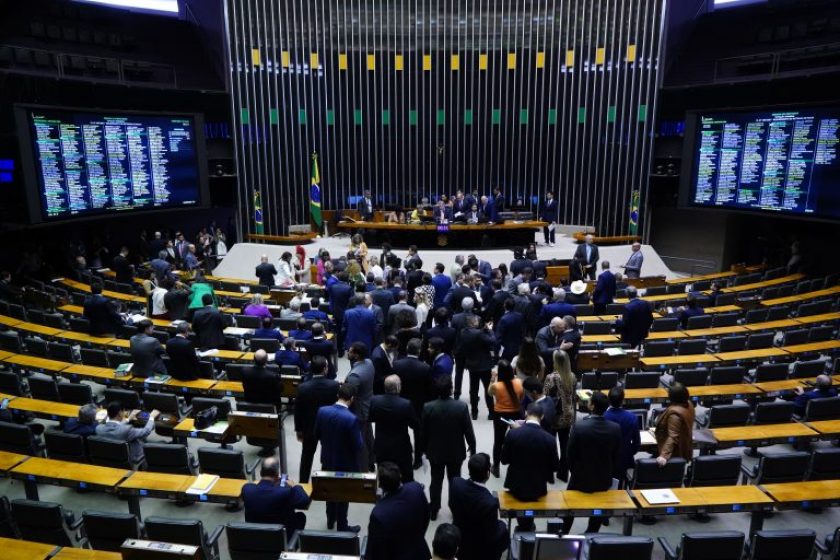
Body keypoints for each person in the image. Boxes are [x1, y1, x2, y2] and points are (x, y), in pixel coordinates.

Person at [562, 391, 621, 534]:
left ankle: (564, 533)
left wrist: (575, 471)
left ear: (592, 406)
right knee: (598, 511)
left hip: (579, 478)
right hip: (603, 478)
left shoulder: (579, 427)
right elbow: (616, 456)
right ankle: (591, 535)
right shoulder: (615, 428)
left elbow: (569, 455)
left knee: (570, 508)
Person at [420, 376, 476, 521]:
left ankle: (434, 509)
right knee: (455, 480)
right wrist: (473, 448)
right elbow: (468, 431)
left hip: (435, 451)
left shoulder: (428, 407)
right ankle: (455, 508)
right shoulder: (461, 407)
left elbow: (423, 432)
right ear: (451, 389)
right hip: (455, 451)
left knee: (436, 480)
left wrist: (424, 450)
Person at [500, 403, 560, 530]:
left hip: (516, 485)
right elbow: (555, 466)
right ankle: (527, 527)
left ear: (526, 413)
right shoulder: (549, 439)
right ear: (542, 417)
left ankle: (524, 527)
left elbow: (504, 460)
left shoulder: (513, 434)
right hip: (537, 487)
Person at [314, 383, 364, 532]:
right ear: (352, 399)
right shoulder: (352, 419)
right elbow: (358, 445)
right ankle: (343, 526)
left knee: (329, 490)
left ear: (338, 395)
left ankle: (330, 519)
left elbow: (316, 434)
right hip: (345, 463)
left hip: (327, 458)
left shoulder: (322, 411)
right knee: (343, 495)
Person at [365, 462, 431, 560]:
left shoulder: (378, 514)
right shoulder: (416, 489)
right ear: (400, 476)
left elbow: (375, 551)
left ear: (380, 485)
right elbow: (426, 516)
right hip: (420, 552)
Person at [449, 453, 508, 560]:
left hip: (460, 540)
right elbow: (491, 536)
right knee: (503, 528)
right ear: (488, 473)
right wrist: (503, 525)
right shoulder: (490, 504)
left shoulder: (455, 484)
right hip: (479, 548)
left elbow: (452, 505)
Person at [294, 356, 339, 483]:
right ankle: (326, 482)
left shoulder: (303, 387)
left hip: (309, 427)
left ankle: (303, 482)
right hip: (328, 426)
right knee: (328, 456)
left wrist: (299, 430)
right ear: (325, 369)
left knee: (307, 456)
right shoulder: (334, 385)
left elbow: (299, 411)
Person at [242, 457, 310, 536]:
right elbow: (304, 501)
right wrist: (295, 486)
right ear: (277, 474)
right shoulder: (285, 492)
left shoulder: (247, 489)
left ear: (260, 473)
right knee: (301, 516)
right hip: (280, 538)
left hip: (255, 535)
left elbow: (263, 496)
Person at [370, 375, 419, 482]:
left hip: (382, 448)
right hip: (401, 449)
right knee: (407, 478)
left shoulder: (374, 401)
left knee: (384, 479)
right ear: (397, 387)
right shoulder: (406, 404)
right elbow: (414, 424)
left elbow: (370, 418)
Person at [543, 349, 576, 481]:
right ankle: (563, 473)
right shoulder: (572, 375)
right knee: (565, 443)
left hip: (554, 415)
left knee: (550, 444)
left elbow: (545, 396)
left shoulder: (551, 377)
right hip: (568, 413)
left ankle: (550, 472)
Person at [488, 360, 524, 477]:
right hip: (515, 415)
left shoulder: (496, 386)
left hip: (501, 416)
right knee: (517, 441)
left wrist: (493, 378)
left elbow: (489, 393)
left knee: (498, 441)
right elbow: (521, 398)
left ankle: (496, 467)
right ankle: (516, 465)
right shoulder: (519, 383)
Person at [95, 402, 160, 466]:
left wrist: (128, 419)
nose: (125, 413)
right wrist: (151, 417)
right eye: (124, 411)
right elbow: (146, 431)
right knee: (155, 444)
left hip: (110, 458)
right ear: (120, 413)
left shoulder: (98, 428)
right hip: (133, 457)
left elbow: (115, 428)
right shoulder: (127, 430)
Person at [459, 315, 496, 420]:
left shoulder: (463, 332)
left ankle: (474, 412)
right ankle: (491, 412)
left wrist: (484, 330)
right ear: (472, 322)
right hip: (484, 365)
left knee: (473, 389)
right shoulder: (480, 333)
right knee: (487, 389)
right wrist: (490, 330)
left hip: (472, 364)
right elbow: (492, 341)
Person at [346, 341, 375, 471]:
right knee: (369, 436)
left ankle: (364, 470)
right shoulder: (369, 363)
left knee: (361, 441)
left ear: (356, 355)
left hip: (358, 411)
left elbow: (348, 397)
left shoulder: (354, 375)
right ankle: (372, 461)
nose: (348, 352)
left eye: (351, 351)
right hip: (369, 405)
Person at [603, 386, 641, 485]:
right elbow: (637, 443)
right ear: (623, 400)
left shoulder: (602, 417)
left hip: (605, 459)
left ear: (608, 400)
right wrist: (627, 452)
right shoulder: (632, 418)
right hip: (624, 460)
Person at [393, 338, 433, 423]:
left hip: (401, 402)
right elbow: (429, 388)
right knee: (418, 429)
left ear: (407, 348)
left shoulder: (396, 364)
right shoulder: (425, 368)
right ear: (419, 351)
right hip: (418, 404)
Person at [655, 383, 695, 465]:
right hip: (684, 443)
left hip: (674, 452)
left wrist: (663, 456)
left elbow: (673, 436)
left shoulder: (675, 415)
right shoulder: (689, 404)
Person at [328, 272, 355, 354]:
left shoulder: (333, 287)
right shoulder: (349, 288)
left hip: (336, 312)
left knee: (337, 332)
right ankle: (345, 347)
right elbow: (352, 302)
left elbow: (331, 300)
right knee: (346, 331)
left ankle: (339, 350)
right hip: (346, 313)